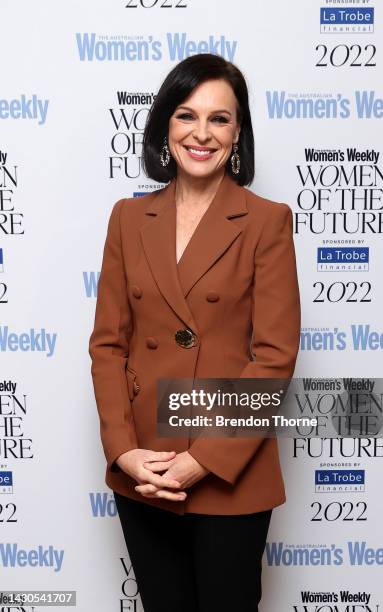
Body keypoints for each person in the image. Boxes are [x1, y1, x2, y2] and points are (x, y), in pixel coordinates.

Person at [88, 53, 301, 612]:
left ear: (238, 135)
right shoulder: (127, 219)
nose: (201, 134)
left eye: (220, 119)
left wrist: (202, 459)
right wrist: (123, 451)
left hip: (230, 469)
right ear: (165, 128)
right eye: (186, 115)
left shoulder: (267, 220)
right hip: (146, 469)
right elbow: (108, 345)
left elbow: (274, 359)